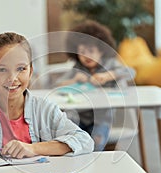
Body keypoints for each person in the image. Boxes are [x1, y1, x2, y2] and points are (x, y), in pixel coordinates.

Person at [0, 32, 94, 160]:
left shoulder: (44, 109)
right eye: (2, 70)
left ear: (30, 72)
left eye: (21, 69)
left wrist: (33, 148)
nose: (12, 78)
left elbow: (84, 141)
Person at [56, 20, 134, 151]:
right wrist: (74, 80)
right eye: (82, 51)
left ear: (101, 51)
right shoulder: (78, 68)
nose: (87, 56)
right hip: (79, 117)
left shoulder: (109, 64)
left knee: (97, 144)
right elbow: (58, 84)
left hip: (102, 118)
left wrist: (109, 75)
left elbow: (131, 72)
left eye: (91, 51)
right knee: (70, 141)